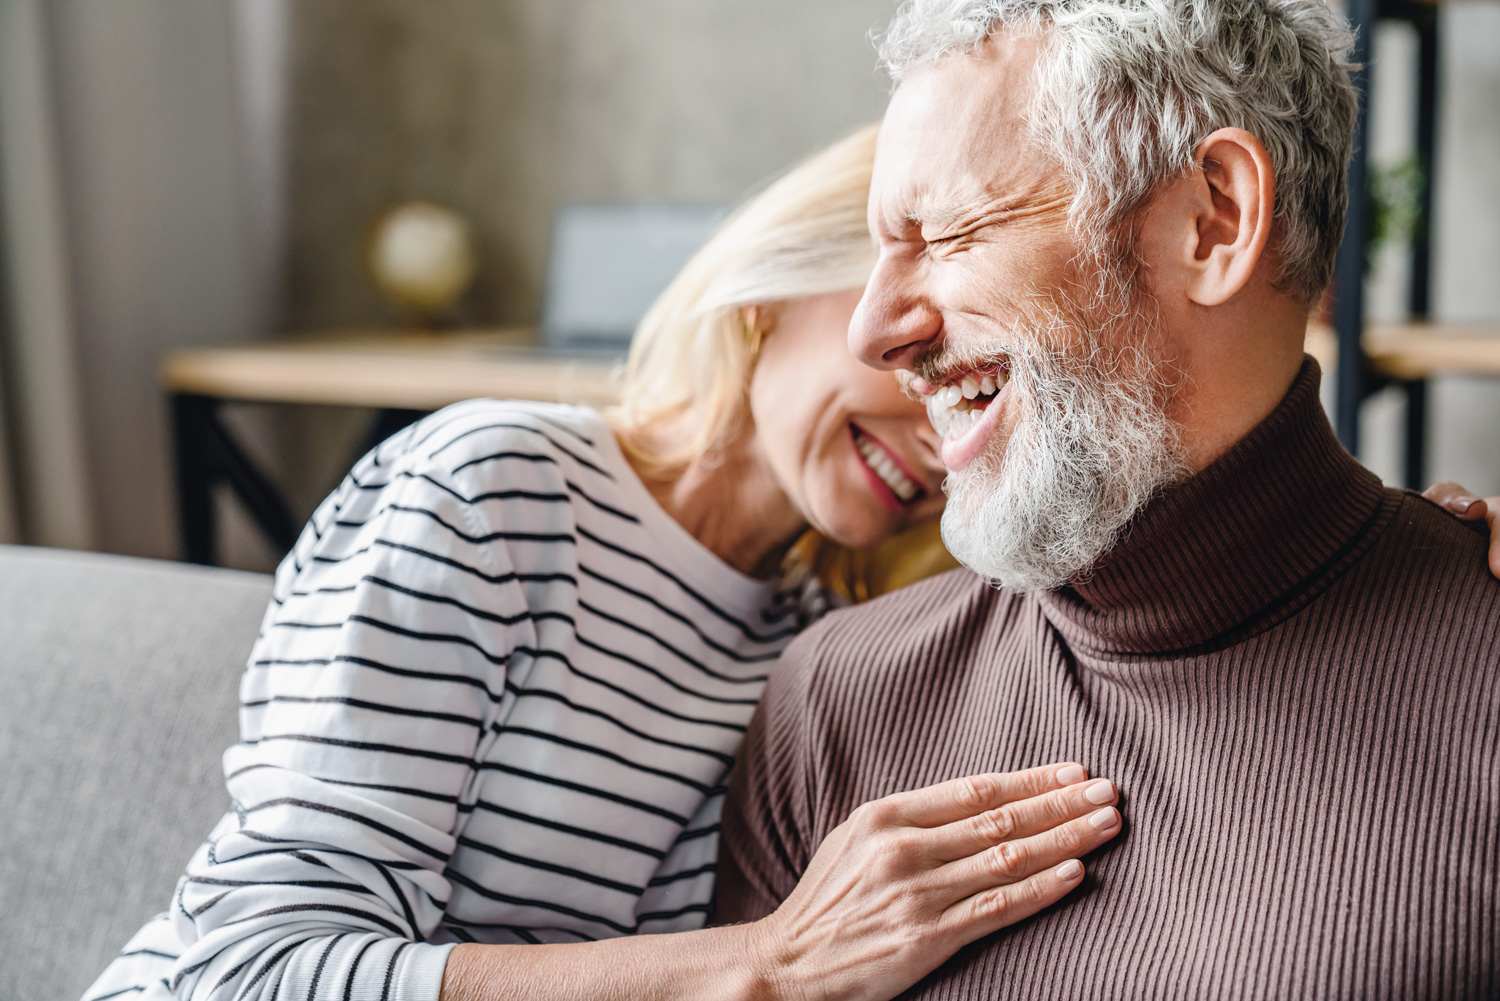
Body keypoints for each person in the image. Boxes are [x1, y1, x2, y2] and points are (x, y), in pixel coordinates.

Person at [82, 125, 1128, 1001]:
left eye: (985, 394)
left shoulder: (813, 644)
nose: (941, 426)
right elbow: (252, 966)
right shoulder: (494, 489)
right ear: (784, 283)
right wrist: (769, 962)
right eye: (922, 354)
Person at [716, 2, 1500, 998]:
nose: (874, 331)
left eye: (947, 232)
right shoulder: (838, 702)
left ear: (1213, 220)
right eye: (881, 250)